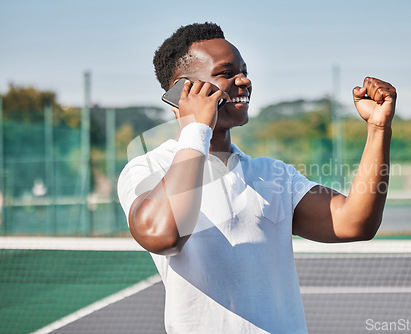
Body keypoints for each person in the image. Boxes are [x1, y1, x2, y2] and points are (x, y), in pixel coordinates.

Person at [117, 22, 396, 333]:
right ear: (185, 90)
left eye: (245, 70)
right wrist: (196, 129)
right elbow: (163, 236)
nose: (245, 80)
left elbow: (356, 223)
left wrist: (378, 130)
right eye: (226, 72)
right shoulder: (148, 169)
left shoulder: (273, 174)